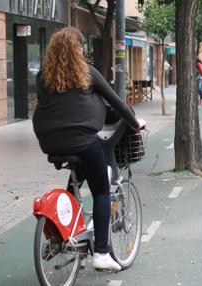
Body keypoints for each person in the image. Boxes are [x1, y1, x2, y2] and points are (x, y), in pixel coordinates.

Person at [32, 27, 143, 271]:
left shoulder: (43, 77)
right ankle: (102, 252)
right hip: (82, 141)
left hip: (50, 143)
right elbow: (117, 102)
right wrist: (136, 123)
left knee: (76, 178)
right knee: (101, 191)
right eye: (81, 47)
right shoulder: (88, 73)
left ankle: (60, 233)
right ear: (77, 50)